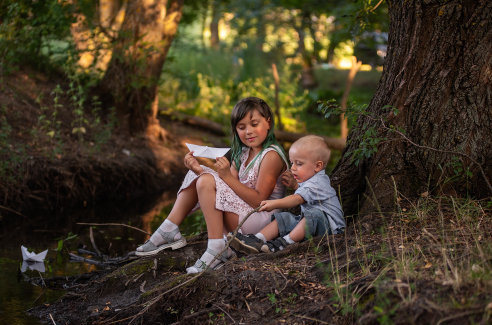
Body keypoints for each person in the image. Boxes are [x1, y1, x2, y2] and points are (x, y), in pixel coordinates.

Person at [135, 96, 289, 273]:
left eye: (254, 124)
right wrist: (200, 173)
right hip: (243, 213)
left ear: (268, 123)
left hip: (261, 222)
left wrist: (222, 177)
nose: (248, 131)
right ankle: (169, 229)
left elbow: (259, 201)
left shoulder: (271, 155)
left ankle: (216, 247)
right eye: (242, 127)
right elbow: (226, 188)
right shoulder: (243, 153)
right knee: (199, 173)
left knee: (207, 177)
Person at [229, 135, 345, 254]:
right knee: (284, 217)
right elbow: (306, 194)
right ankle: (256, 240)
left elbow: (297, 199)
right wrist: (295, 185)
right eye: (291, 163)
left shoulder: (318, 182)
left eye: (299, 164)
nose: (293, 168)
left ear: (318, 166)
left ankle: (284, 243)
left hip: (331, 230)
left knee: (314, 215)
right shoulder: (310, 180)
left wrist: (274, 203)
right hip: (311, 225)